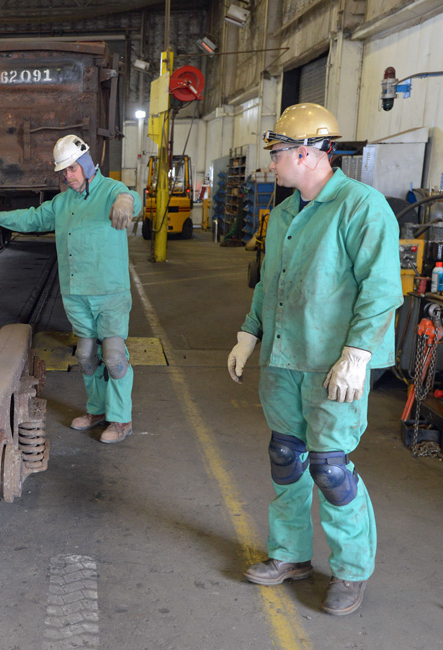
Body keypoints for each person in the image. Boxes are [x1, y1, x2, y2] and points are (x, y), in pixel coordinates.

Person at [226, 103, 403, 616]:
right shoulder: (282, 214)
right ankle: (290, 557)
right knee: (287, 458)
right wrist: (248, 332)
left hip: (332, 365)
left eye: (278, 153)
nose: (272, 164)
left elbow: (383, 289)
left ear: (307, 153)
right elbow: (270, 284)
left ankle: (351, 571)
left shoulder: (361, 207)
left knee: (330, 469)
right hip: (284, 361)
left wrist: (357, 353)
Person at [0, 135, 142, 443]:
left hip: (109, 294)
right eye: (63, 171)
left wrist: (127, 201)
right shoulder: (63, 202)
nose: (67, 176)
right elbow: (34, 217)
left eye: (71, 169)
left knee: (115, 357)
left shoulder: (111, 191)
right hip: (76, 294)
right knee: (85, 356)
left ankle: (121, 420)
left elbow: (130, 197)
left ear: (85, 164)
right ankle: (97, 411)